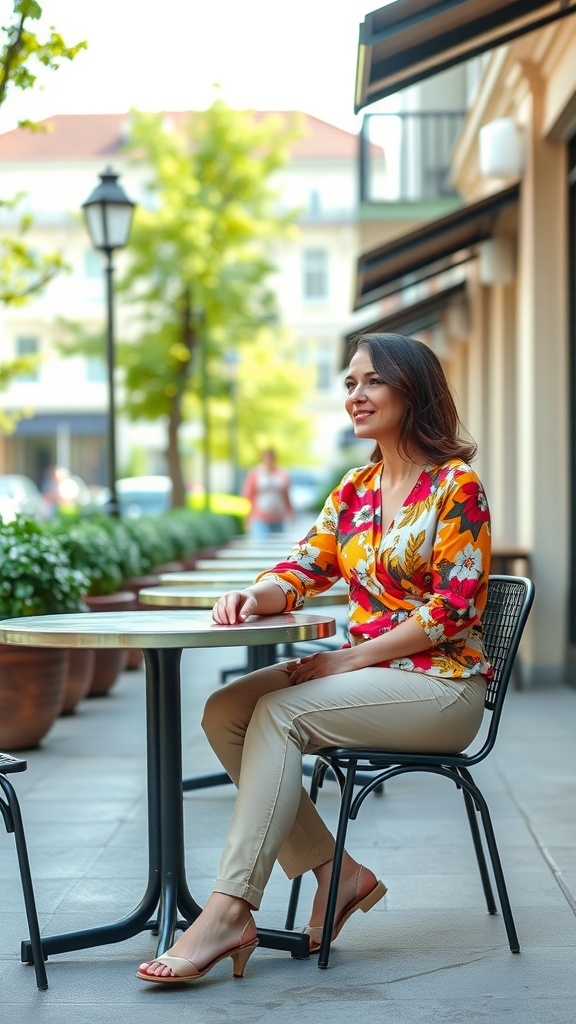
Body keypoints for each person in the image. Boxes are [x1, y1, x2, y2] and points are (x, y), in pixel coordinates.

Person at [137, 332, 492, 986]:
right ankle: (339, 874)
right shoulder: (355, 489)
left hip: (445, 688)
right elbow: (302, 566)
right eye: (350, 383)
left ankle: (228, 911)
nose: (355, 395)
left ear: (412, 391)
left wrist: (347, 660)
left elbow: (457, 609)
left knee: (276, 716)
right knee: (226, 712)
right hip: (376, 675)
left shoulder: (455, 487)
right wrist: (254, 593)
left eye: (371, 382)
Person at [242, 448, 294, 536]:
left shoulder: (282, 473)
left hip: (278, 517)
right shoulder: (255, 473)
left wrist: (291, 513)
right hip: (260, 518)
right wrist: (248, 515)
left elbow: (286, 495)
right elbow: (249, 495)